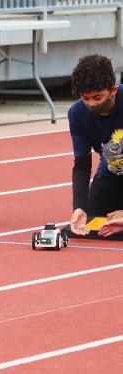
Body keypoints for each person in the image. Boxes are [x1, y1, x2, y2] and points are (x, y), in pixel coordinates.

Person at [67, 54, 123, 237]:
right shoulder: (76, 114)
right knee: (90, 222)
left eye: (97, 97)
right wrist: (79, 206)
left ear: (113, 90)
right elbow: (82, 165)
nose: (91, 104)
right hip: (112, 175)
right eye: (85, 98)